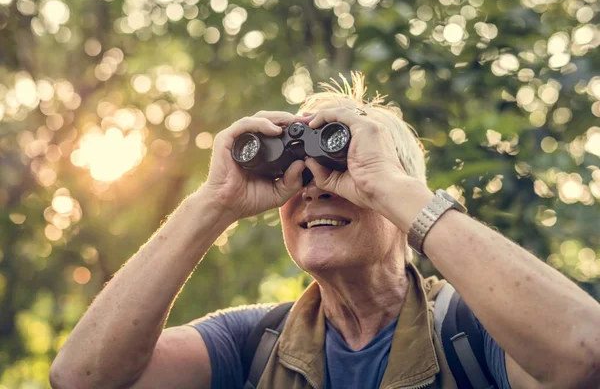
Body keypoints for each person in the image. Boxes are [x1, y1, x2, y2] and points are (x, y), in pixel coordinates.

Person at [50, 73, 600, 389]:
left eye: (341, 172)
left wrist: (391, 187)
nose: (312, 189)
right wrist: (213, 202)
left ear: (396, 193)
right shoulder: (253, 345)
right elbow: (83, 378)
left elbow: (586, 353)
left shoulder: (471, 331)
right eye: (297, 177)